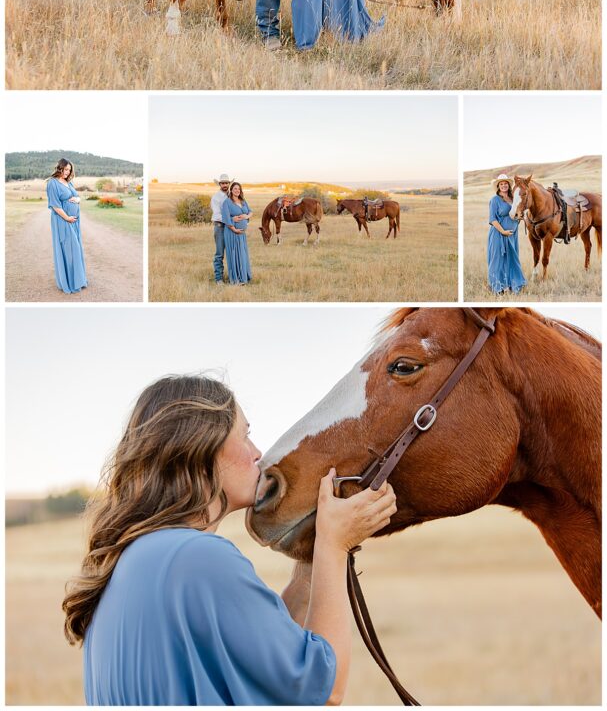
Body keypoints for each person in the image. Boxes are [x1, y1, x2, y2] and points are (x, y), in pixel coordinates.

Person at [63, 374, 397, 705]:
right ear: (201, 445)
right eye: (245, 435)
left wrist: (312, 555)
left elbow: (270, 659)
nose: (257, 453)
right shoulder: (199, 558)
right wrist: (334, 548)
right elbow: (324, 691)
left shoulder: (132, 561)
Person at [46, 158, 87, 295]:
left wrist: (78, 200)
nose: (67, 172)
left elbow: (77, 197)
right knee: (69, 249)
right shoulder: (52, 183)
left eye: (69, 170)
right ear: (59, 168)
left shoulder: (69, 182)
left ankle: (78, 280)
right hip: (63, 221)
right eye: (65, 169)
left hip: (74, 222)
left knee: (76, 249)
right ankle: (69, 282)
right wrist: (67, 217)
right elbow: (55, 205)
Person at [487, 173, 527, 294]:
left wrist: (519, 218)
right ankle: (497, 287)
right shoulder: (495, 200)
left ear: (509, 186)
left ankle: (512, 285)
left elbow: (515, 214)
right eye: (501, 184)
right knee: (498, 260)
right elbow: (493, 219)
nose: (504, 186)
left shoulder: (513, 199)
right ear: (498, 186)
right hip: (499, 234)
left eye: (506, 184)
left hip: (512, 235)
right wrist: (503, 231)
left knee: (512, 259)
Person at [222, 181, 253, 285]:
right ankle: (236, 279)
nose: (237, 190)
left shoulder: (243, 201)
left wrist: (246, 216)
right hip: (232, 232)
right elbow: (225, 217)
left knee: (242, 254)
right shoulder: (227, 202)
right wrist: (234, 228)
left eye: (239, 189)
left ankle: (244, 276)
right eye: (235, 188)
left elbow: (250, 212)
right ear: (231, 190)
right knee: (234, 254)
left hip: (241, 234)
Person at [211, 174, 231, 286]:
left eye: (226, 183)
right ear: (220, 184)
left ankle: (232, 276)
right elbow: (217, 214)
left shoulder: (231, 195)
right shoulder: (216, 197)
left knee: (232, 252)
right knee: (219, 253)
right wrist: (231, 220)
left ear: (229, 184)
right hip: (220, 226)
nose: (225, 185)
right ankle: (219, 278)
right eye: (222, 183)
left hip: (230, 227)